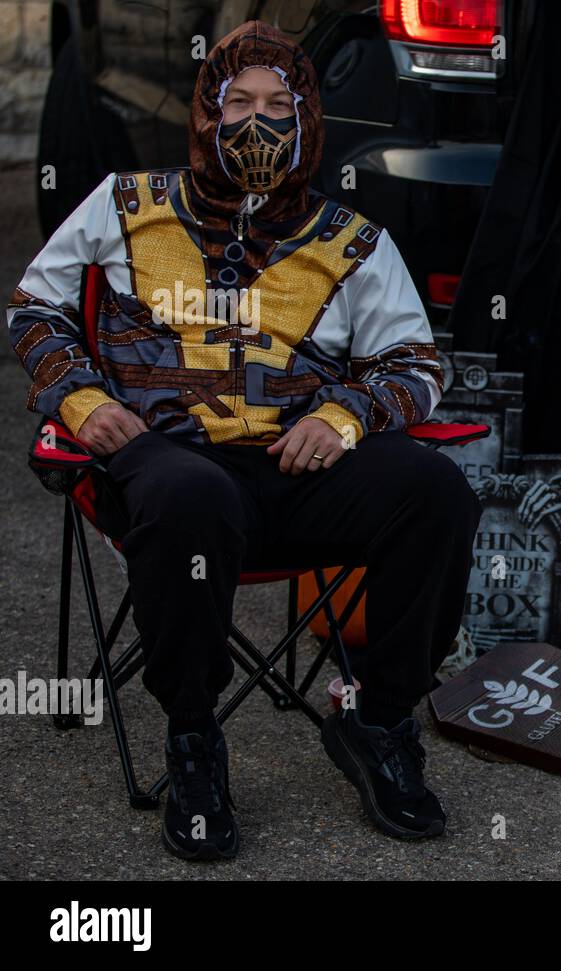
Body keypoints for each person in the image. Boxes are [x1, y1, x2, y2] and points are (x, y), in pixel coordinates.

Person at [6, 21, 482, 859]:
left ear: (307, 123)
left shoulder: (351, 242)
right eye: (238, 103)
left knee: (436, 492)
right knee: (195, 495)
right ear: (205, 112)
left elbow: (415, 363)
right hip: (165, 471)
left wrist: (344, 418)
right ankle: (194, 743)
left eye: (278, 105)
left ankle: (377, 722)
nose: (257, 124)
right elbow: (32, 308)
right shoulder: (126, 205)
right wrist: (77, 398)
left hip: (294, 474)